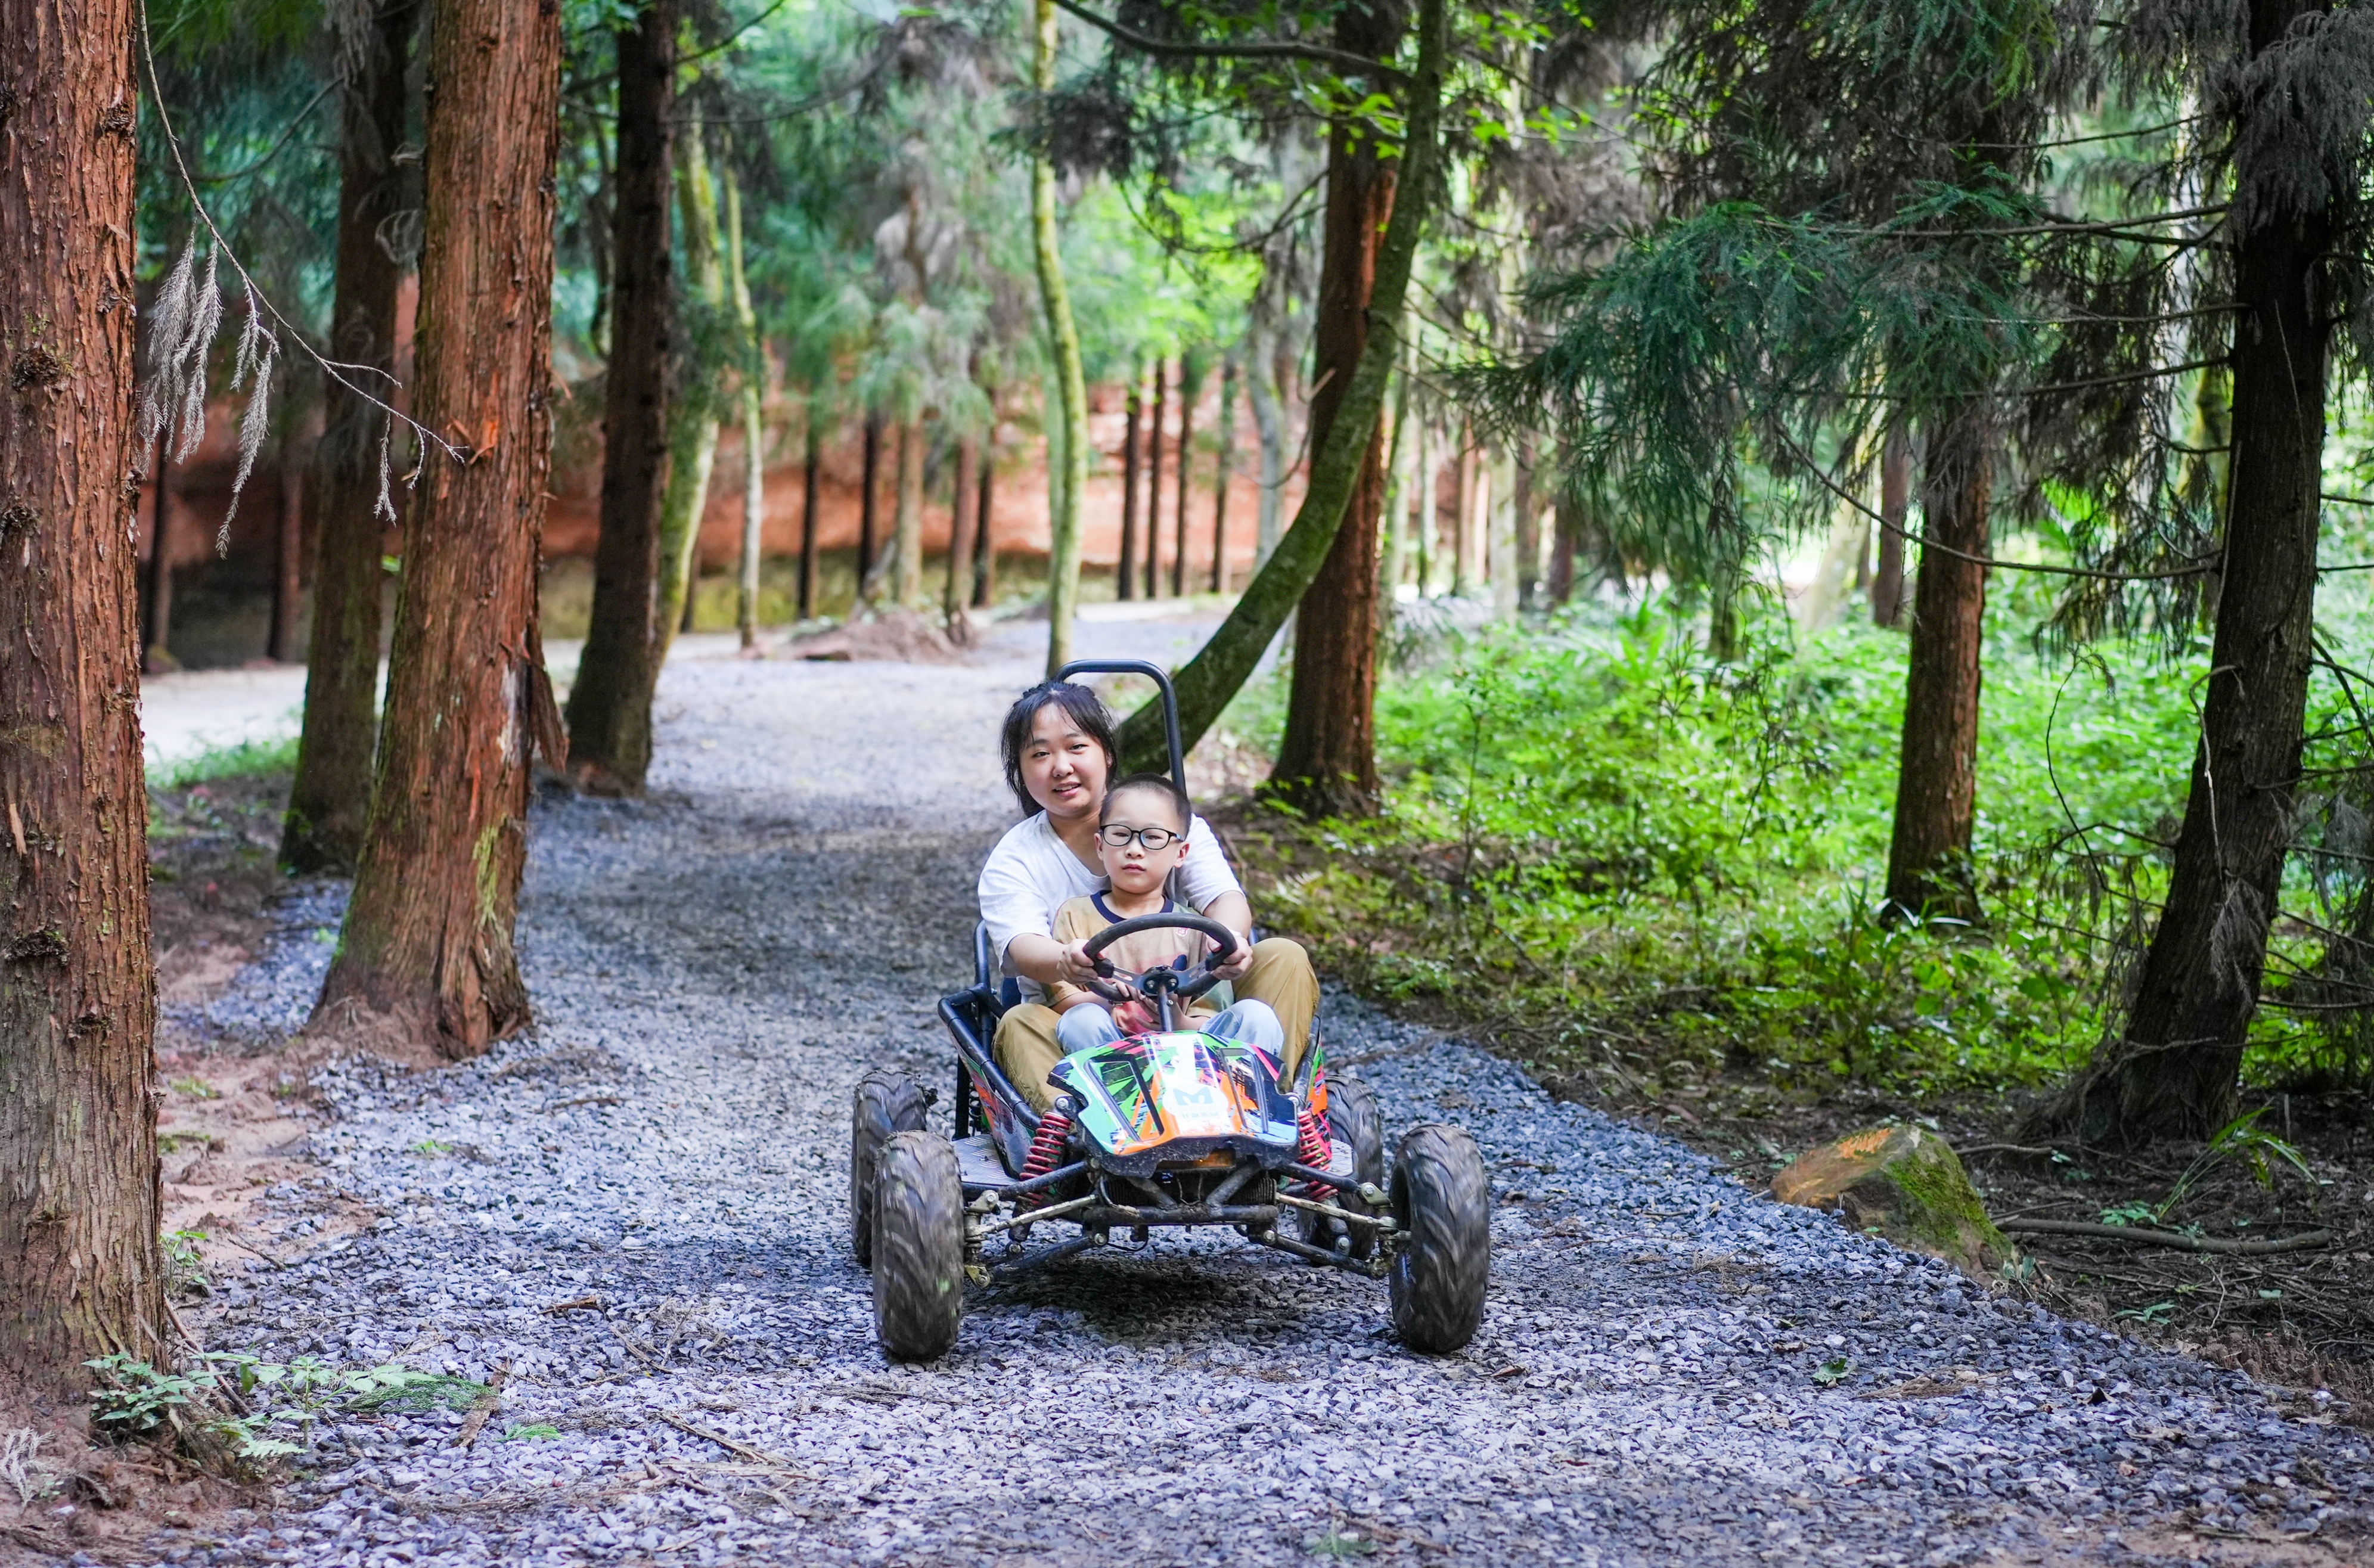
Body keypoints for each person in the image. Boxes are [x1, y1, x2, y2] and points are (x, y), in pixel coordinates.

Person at [977, 680, 1317, 1112]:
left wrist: (1227, 941)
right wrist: (1067, 961)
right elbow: (1021, 946)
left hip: (1191, 1009)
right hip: (1079, 1019)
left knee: (1284, 954)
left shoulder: (1168, 820)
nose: (1060, 766)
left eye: (1076, 747)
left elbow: (1224, 897)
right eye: (1040, 754)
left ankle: (1264, 1110)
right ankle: (1078, 1135)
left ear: (1107, 754)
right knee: (1019, 1022)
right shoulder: (1016, 856)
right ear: (1021, 772)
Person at [1047, 773, 1286, 1058]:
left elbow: (1210, 1014)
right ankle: (1109, 1100)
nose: (1134, 850)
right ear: (1100, 845)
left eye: (1153, 838)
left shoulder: (1200, 930)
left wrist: (1175, 1020)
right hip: (1114, 1059)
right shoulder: (1075, 915)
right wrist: (1112, 999)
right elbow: (1063, 1004)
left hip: (1197, 1061)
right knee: (1082, 1019)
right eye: (1121, 835)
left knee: (1256, 1015)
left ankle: (1250, 1097)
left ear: (1181, 853)